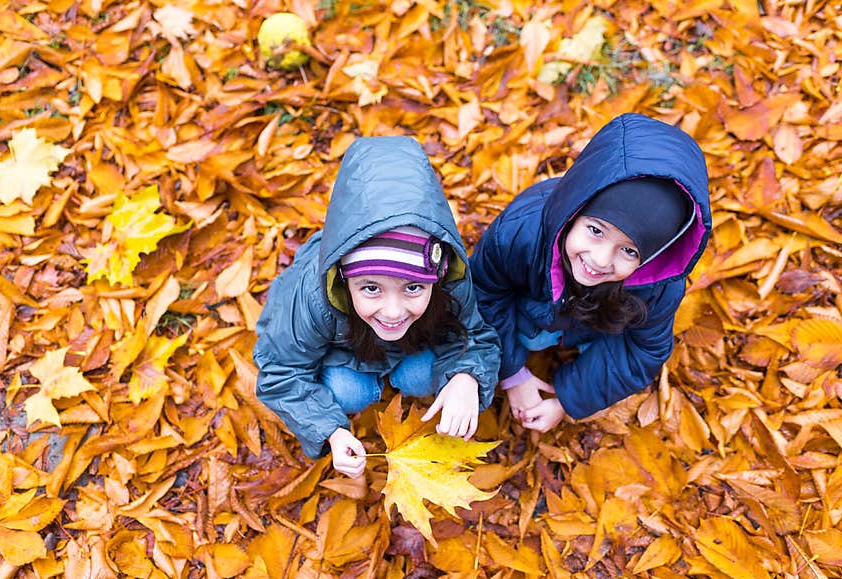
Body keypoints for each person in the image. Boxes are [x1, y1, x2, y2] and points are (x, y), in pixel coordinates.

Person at [254, 135, 501, 478]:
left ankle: (406, 377)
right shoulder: (311, 296)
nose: (393, 310)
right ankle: (362, 389)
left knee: (419, 376)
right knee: (349, 392)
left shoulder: (452, 282)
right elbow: (280, 371)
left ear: (437, 276)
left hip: (412, 347)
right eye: (371, 288)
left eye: (413, 287)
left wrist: (466, 376)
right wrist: (330, 430)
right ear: (344, 278)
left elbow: (474, 334)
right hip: (347, 354)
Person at [469, 112, 712, 434]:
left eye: (629, 251)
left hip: (596, 321)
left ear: (652, 257)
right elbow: (484, 291)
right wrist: (513, 373)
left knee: (619, 340)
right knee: (527, 331)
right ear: (576, 210)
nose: (599, 259)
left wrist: (565, 400)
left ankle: (573, 345)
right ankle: (536, 338)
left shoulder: (657, 285)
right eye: (596, 230)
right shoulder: (522, 230)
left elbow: (644, 350)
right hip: (538, 305)